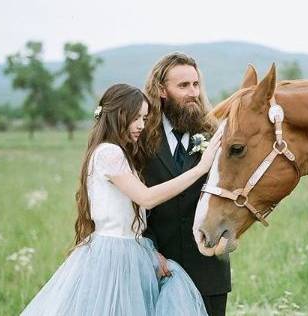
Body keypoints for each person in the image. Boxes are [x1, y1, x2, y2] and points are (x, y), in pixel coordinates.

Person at [21, 83, 222, 315]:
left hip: (132, 248)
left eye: (145, 118)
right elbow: (146, 198)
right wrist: (200, 169)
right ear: (118, 115)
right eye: (135, 118)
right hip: (114, 255)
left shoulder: (118, 153)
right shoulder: (109, 153)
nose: (141, 125)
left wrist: (148, 251)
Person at [140, 52, 231, 316]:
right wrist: (149, 251)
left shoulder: (215, 134)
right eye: (183, 86)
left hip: (209, 267)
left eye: (196, 84)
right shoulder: (141, 138)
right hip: (159, 266)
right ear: (161, 90)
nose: (193, 93)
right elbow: (131, 202)